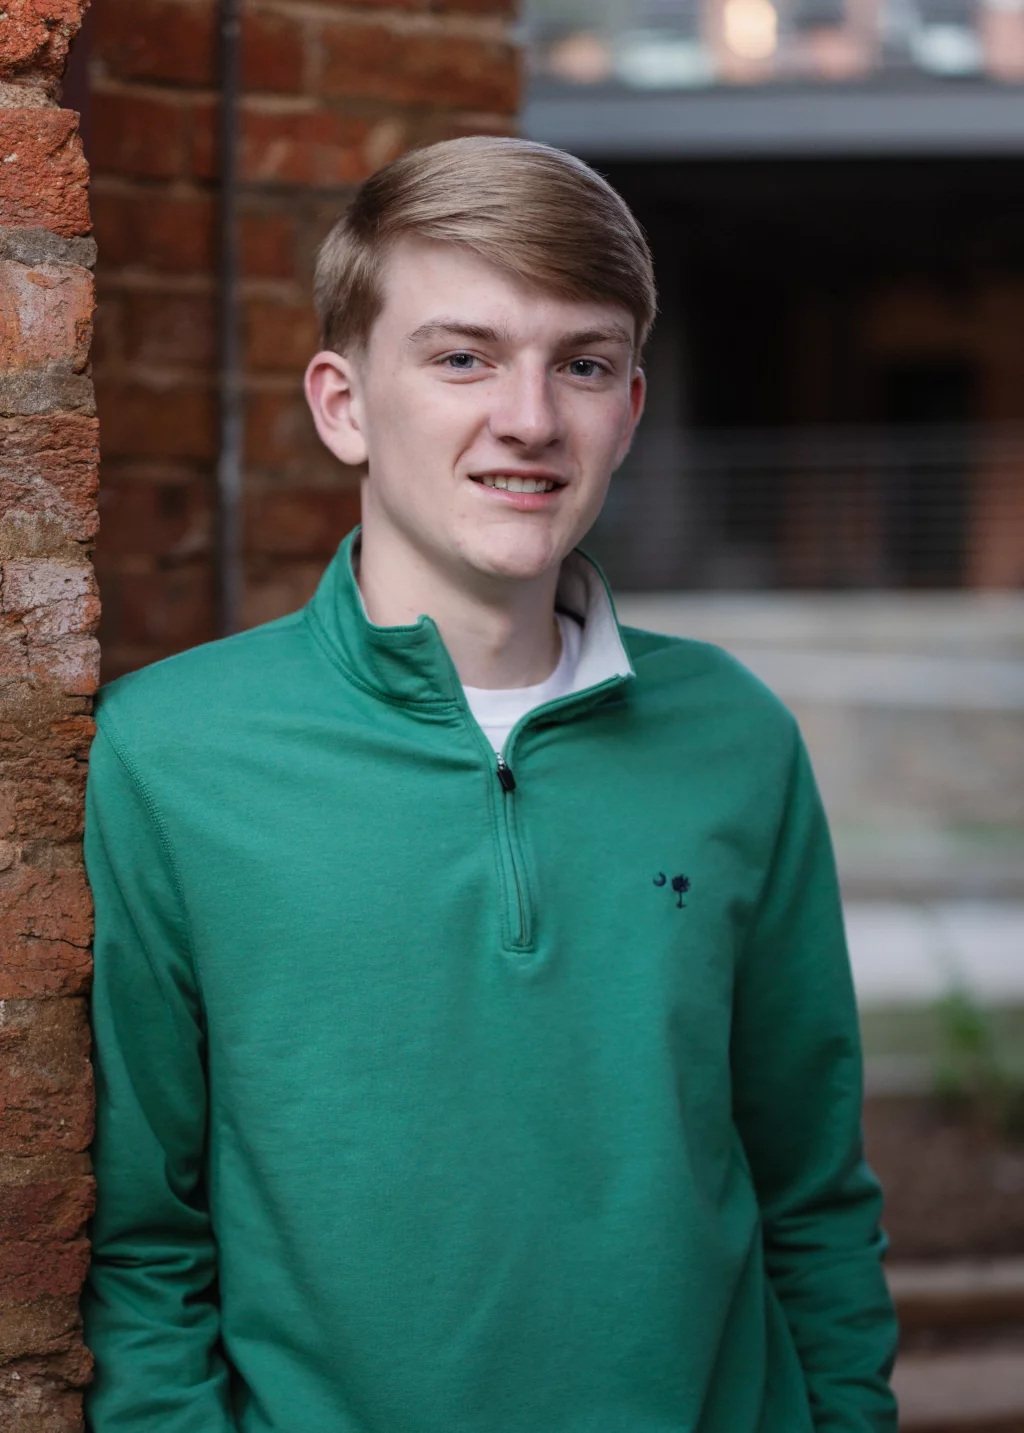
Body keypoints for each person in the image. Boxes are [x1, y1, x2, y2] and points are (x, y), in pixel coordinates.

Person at [83, 136, 898, 1432]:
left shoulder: (735, 739)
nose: (528, 417)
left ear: (629, 409)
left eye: (581, 363)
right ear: (343, 403)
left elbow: (812, 1188)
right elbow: (142, 1238)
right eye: (462, 357)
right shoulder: (172, 754)